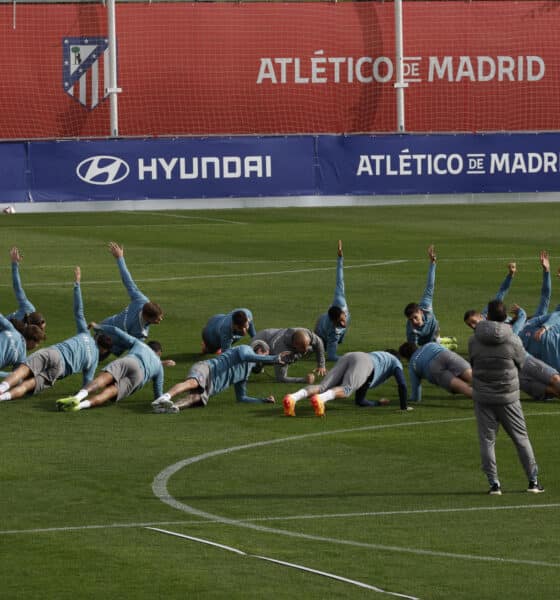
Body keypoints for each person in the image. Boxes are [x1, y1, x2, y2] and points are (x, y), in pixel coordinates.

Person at [0, 267, 112, 402]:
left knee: (21, 373)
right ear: (103, 350)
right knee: (27, 385)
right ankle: (3, 397)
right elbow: (86, 385)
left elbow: (78, 311)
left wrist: (77, 284)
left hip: (53, 352)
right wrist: (82, 396)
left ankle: (2, 388)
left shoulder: (85, 333)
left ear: (97, 337)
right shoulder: (93, 360)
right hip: (59, 370)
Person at [468, 299, 544, 495]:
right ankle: (533, 481)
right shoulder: (513, 339)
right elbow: (521, 363)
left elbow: (473, 362)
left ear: (488, 316)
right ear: (504, 317)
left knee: (487, 440)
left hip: (483, 396)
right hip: (508, 397)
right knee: (521, 438)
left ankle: (494, 484)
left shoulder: (474, 339)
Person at [151, 341, 289, 413]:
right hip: (207, 369)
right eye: (264, 355)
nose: (262, 361)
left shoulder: (246, 373)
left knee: (196, 398)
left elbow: (241, 398)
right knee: (193, 383)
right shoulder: (245, 349)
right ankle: (165, 397)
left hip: (210, 387)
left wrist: (262, 401)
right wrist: (273, 358)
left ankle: (171, 407)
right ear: (259, 351)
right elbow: (245, 357)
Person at [56, 326, 165, 411]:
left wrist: (99, 326)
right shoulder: (159, 366)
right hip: (139, 376)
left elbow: (116, 330)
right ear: (159, 353)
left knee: (102, 380)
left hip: (130, 361)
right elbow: (158, 395)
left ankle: (78, 397)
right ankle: (80, 406)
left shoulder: (140, 344)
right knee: (110, 392)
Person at [282, 350, 409, 417]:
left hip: (353, 355)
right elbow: (402, 384)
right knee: (346, 389)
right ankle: (320, 399)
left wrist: (377, 403)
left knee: (322, 386)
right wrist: (404, 407)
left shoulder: (378, 362)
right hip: (365, 362)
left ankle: (293, 397)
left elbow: (360, 401)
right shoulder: (395, 362)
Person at [96, 242, 163, 356]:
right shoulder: (141, 332)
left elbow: (128, 282)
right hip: (106, 341)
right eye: (157, 319)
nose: (160, 320)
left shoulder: (141, 300)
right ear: (147, 317)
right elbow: (135, 353)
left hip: (106, 332)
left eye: (160, 316)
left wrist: (120, 258)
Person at [404, 245, 457, 350]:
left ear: (421, 312)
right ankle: (445, 343)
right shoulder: (412, 331)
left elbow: (430, 285)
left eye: (415, 317)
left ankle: (439, 341)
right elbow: (413, 348)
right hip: (422, 341)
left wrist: (432, 263)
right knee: (430, 349)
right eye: (411, 320)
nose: (414, 321)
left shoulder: (426, 305)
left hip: (434, 330)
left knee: (435, 343)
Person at [398, 341, 472, 403]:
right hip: (446, 355)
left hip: (433, 368)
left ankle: (481, 397)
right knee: (475, 378)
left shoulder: (412, 364)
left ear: (406, 357)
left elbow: (416, 395)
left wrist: (411, 399)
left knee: (464, 388)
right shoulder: (430, 344)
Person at [314, 240, 350, 362]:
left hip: (325, 319)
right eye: (339, 322)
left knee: (341, 333)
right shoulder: (332, 330)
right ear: (334, 322)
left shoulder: (340, 301)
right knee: (318, 349)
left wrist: (340, 258)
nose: (343, 323)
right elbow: (332, 357)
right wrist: (349, 358)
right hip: (321, 331)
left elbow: (340, 279)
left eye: (343, 319)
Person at [251, 327, 326, 383]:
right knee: (256, 369)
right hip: (260, 341)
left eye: (307, 345)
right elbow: (280, 378)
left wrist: (321, 365)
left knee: (311, 349)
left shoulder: (306, 333)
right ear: (294, 345)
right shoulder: (283, 351)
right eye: (302, 347)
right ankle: (259, 365)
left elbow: (319, 343)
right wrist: (303, 380)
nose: (306, 350)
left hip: (272, 335)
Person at [463, 260, 517, 330]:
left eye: (474, 322)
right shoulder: (480, 334)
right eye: (470, 325)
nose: (473, 326)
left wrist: (510, 274)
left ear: (480, 316)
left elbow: (502, 292)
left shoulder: (489, 310)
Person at [7, 246, 46, 330]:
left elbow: (17, 288)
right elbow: (17, 288)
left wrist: (15, 264)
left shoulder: (29, 309)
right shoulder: (29, 309)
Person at [0, 312, 45, 377]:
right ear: (32, 340)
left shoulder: (10, 328)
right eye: (37, 343)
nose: (37, 346)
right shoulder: (22, 357)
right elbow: (15, 377)